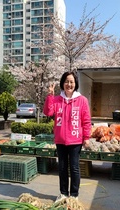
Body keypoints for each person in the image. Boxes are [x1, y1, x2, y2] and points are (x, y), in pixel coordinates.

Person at [43, 71, 91, 202]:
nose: (69, 84)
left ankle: (74, 195)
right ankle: (63, 193)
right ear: (62, 83)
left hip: (75, 140)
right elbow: (48, 112)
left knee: (74, 168)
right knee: (62, 168)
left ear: (75, 84)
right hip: (60, 140)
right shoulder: (57, 100)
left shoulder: (82, 100)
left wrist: (86, 137)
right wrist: (50, 96)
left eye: (71, 82)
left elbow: (86, 121)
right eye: (66, 81)